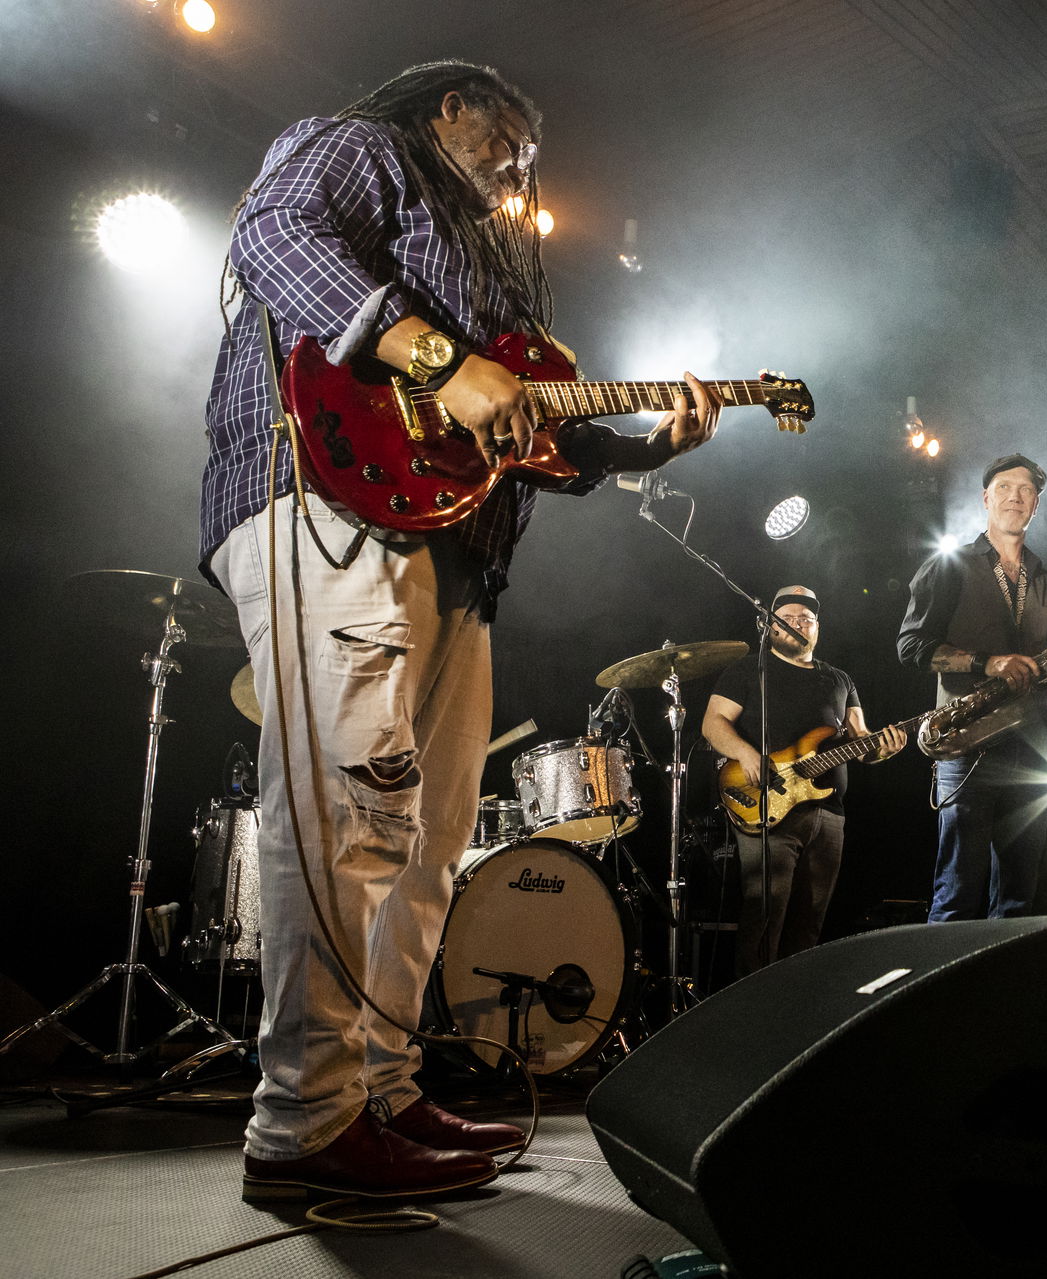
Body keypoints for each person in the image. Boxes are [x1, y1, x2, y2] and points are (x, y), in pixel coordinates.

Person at [202, 61, 721, 1202]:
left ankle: (379, 1089)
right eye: (511, 140)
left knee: (429, 841)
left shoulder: (498, 263)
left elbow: (534, 430)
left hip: (455, 552)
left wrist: (646, 446)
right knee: (350, 811)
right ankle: (301, 1125)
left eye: (533, 159)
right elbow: (273, 238)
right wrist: (444, 360)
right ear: (451, 107)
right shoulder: (362, 148)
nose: (522, 168)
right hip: (322, 500)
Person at [896, 454, 1047, 920]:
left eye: (1025, 490)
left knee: (1019, 899)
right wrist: (988, 663)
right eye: (1004, 487)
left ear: (1036, 505)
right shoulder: (948, 566)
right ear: (986, 498)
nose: (1014, 496)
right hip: (966, 746)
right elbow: (911, 646)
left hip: (1033, 750)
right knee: (957, 894)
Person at [703, 586, 907, 977]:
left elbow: (860, 742)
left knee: (808, 924)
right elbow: (713, 723)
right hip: (766, 804)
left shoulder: (839, 679)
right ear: (770, 626)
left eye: (806, 618)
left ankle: (794, 1010)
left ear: (818, 627)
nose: (798, 624)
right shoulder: (749, 669)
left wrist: (885, 748)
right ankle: (752, 1011)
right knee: (765, 917)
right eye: (789, 618)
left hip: (828, 813)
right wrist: (746, 754)